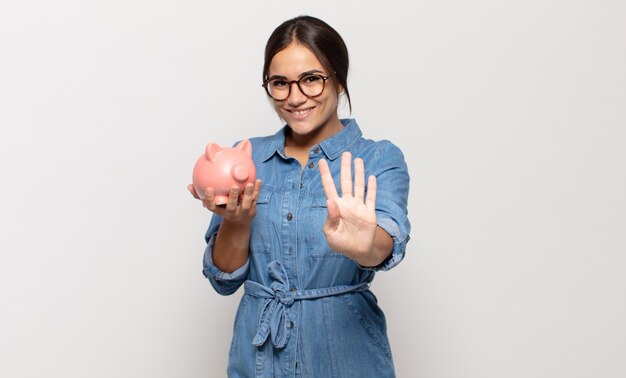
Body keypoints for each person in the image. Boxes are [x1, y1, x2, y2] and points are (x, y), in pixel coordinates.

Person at [188, 15, 410, 378]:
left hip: (346, 356)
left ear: (338, 79)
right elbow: (223, 280)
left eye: (310, 79)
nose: (294, 98)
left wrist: (363, 243)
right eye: (280, 83)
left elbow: (383, 247)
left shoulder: (378, 159)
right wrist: (237, 221)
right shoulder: (246, 159)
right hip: (259, 360)